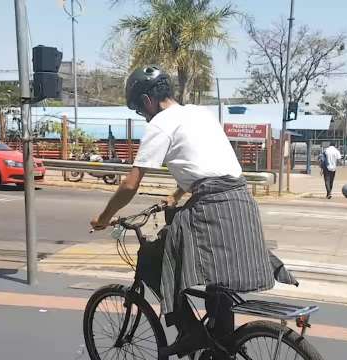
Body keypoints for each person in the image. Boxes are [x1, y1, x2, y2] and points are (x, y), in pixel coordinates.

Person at [90, 65, 297, 356]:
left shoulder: (160, 124)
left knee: (152, 258)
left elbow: (130, 184)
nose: (143, 114)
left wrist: (104, 218)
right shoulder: (201, 113)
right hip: (240, 202)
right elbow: (208, 165)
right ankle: (219, 341)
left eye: (140, 109)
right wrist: (175, 195)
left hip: (211, 207)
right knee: (220, 281)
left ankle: (192, 332)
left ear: (148, 101)